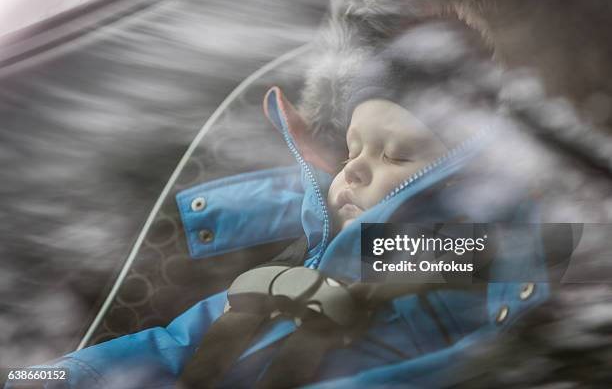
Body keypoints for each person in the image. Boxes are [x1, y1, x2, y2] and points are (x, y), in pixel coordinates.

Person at [5, 20, 550, 389]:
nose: (354, 168)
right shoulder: (300, 267)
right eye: (352, 147)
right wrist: (47, 377)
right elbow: (171, 346)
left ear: (454, 179)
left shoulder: (456, 270)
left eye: (397, 157)